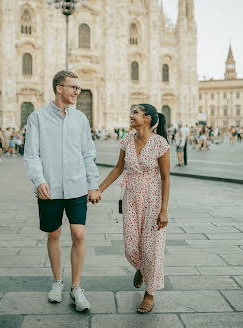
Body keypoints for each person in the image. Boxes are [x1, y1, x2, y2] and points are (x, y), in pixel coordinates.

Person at [24, 70, 101, 312]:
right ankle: (57, 282)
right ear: (59, 88)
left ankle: (76, 287)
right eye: (73, 87)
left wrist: (93, 184)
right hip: (50, 188)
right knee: (54, 234)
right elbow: (31, 154)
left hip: (77, 186)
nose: (78, 91)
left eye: (79, 88)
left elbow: (88, 153)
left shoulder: (80, 119)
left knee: (79, 234)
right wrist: (38, 180)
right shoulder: (37, 118)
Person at [99, 104, 170, 314]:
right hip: (130, 197)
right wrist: (99, 189)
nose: (131, 115)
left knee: (151, 248)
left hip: (153, 198)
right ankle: (140, 268)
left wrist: (164, 210)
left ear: (147, 119)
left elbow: (166, 177)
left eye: (136, 113)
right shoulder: (127, 140)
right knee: (130, 246)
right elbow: (118, 168)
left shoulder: (160, 143)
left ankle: (150, 292)